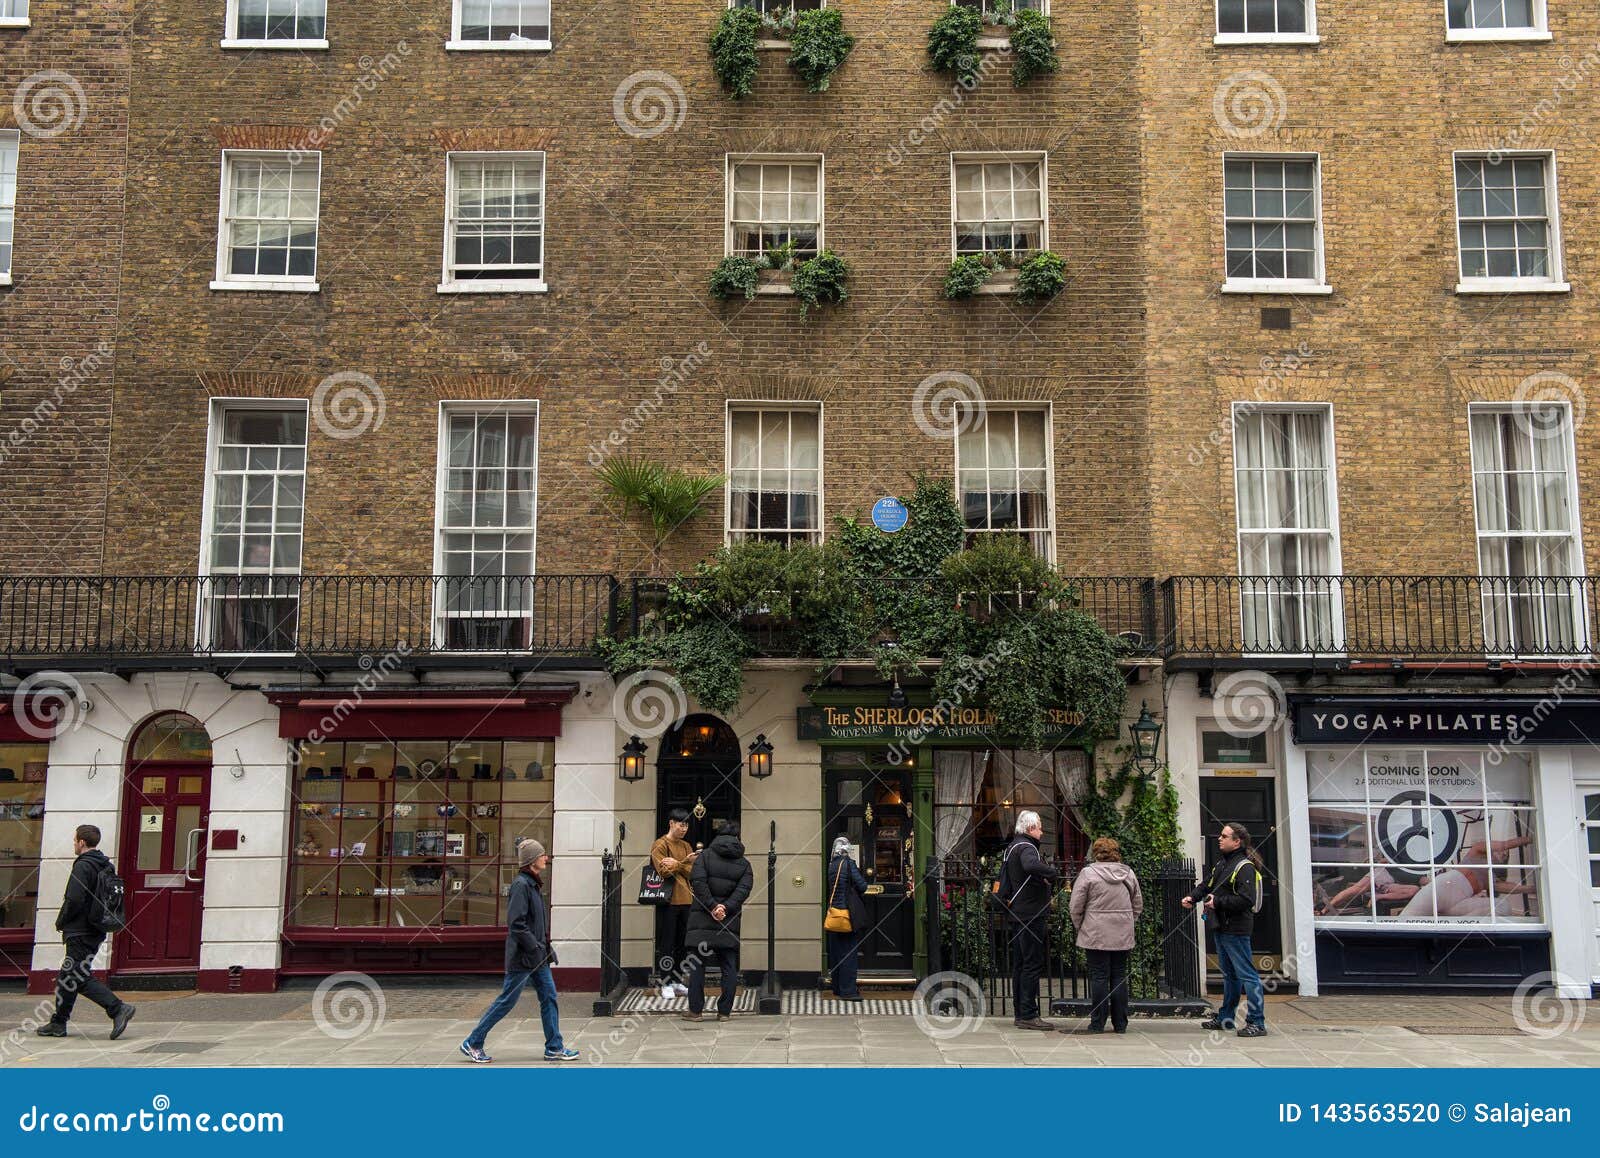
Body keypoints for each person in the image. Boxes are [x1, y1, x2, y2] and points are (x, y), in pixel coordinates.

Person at [460, 838, 580, 1063]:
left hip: (537, 956)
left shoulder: (533, 884)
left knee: (549, 997)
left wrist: (543, 948)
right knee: (507, 1001)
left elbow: (534, 924)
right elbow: (516, 924)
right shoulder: (521, 885)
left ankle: (554, 1047)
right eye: (543, 855)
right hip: (523, 957)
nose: (547, 858)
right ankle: (473, 1041)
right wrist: (534, 946)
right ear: (533, 860)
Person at [37, 824, 134, 1040]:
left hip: (80, 930)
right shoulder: (105, 865)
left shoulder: (83, 866)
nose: (74, 844)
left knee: (76, 976)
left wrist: (62, 920)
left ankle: (118, 1009)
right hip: (96, 928)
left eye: (74, 840)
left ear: (81, 842)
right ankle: (58, 1023)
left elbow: (75, 898)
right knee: (67, 976)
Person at [1183, 821, 1267, 1038]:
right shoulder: (1222, 864)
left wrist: (1217, 903)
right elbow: (1207, 885)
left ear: (1237, 841)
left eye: (1224, 836)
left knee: (1247, 976)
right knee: (1230, 976)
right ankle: (1226, 1018)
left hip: (1236, 929)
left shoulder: (1244, 866)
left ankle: (1257, 1022)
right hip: (1221, 926)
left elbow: (1246, 900)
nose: (1219, 838)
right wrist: (1193, 897)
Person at [1066, 836, 1143, 1035]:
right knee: (1119, 975)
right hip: (1122, 933)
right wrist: (1126, 922)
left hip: (1095, 932)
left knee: (1099, 977)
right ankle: (1120, 1024)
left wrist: (1081, 926)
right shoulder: (1128, 873)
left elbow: (1075, 906)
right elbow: (1137, 904)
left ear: (1096, 853)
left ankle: (1097, 1023)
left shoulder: (1088, 874)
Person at [682, 822, 753, 1022]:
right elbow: (743, 890)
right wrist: (725, 908)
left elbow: (698, 883)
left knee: (697, 966)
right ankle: (724, 1012)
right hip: (727, 922)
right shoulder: (744, 864)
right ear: (737, 837)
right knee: (729, 967)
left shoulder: (704, 857)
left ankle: (695, 1011)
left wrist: (712, 906)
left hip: (702, 919)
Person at [999, 809, 1061, 1031]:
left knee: (1021, 965)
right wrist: (1051, 872)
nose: (1042, 832)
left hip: (1018, 913)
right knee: (1032, 965)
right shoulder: (1026, 847)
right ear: (1030, 828)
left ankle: (1020, 1012)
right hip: (1030, 914)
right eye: (1040, 827)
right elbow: (1031, 866)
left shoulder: (1012, 846)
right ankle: (1028, 1014)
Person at [650, 807, 698, 998]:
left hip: (686, 899)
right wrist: (683, 864)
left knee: (682, 944)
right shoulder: (660, 845)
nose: (684, 828)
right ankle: (665, 982)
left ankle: (677, 980)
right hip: (668, 901)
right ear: (671, 823)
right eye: (681, 824)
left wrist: (677, 864)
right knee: (667, 944)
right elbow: (663, 871)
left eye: (686, 825)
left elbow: (693, 871)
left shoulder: (686, 846)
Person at [824, 834, 869, 1002]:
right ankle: (848, 991)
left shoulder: (831, 865)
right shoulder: (848, 864)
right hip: (847, 916)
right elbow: (863, 886)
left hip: (834, 914)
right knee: (849, 954)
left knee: (836, 953)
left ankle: (837, 987)